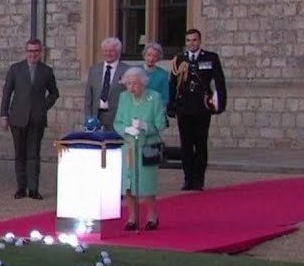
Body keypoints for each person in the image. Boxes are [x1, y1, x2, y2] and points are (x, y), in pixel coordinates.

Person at [0, 38, 60, 200]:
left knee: (33, 154)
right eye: (30, 51)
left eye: (36, 51)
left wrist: (43, 106)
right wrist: (3, 114)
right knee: (20, 154)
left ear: (41, 52)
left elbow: (54, 93)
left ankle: (33, 188)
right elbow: (7, 93)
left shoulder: (46, 71)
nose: (33, 54)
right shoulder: (15, 69)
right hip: (17, 117)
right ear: (26, 52)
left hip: (36, 118)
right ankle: (21, 187)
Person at [168, 29, 226, 191]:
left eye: (194, 40)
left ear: (199, 41)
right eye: (188, 40)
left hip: (202, 107)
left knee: (200, 144)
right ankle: (188, 179)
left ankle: (199, 179)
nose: (191, 43)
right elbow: (173, 84)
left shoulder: (210, 58)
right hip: (184, 107)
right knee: (186, 145)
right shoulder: (179, 60)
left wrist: (220, 104)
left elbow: (219, 82)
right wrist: (171, 105)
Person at [114, 67, 168, 231]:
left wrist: (145, 126)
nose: (132, 87)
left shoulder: (154, 97)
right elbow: (118, 122)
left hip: (147, 146)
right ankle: (132, 218)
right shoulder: (123, 97)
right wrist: (125, 130)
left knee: (146, 184)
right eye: (129, 84)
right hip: (128, 146)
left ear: (143, 83)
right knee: (128, 184)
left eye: (135, 84)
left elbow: (161, 124)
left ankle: (152, 217)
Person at [85, 37, 129, 130]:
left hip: (118, 117)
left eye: (112, 51)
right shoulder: (94, 69)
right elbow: (89, 96)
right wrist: (88, 116)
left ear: (118, 52)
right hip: (96, 116)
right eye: (106, 51)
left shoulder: (127, 70)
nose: (108, 53)